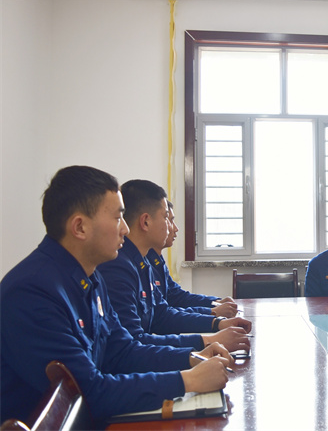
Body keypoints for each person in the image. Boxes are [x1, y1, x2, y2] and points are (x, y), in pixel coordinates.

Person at [0, 166, 233, 424]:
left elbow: (122, 351)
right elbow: (88, 392)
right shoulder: (31, 292)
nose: (125, 229)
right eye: (117, 217)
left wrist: (191, 358)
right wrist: (186, 380)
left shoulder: (91, 277)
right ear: (80, 227)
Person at [98, 180, 251, 353]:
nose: (173, 228)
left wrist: (216, 323)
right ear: (145, 222)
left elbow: (161, 315)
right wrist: (206, 342)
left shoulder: (142, 263)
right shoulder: (118, 267)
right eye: (166, 218)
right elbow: (130, 347)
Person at [147, 200, 238, 318]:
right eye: (169, 220)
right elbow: (162, 316)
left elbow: (176, 296)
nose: (175, 228)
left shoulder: (157, 260)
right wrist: (212, 313)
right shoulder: (143, 263)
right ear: (146, 222)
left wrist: (216, 302)